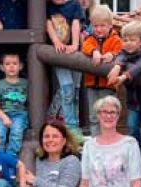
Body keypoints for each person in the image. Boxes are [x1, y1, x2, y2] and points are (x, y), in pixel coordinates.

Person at [107, 20, 141, 152]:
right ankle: (138, 151)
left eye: (132, 40)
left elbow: (139, 66)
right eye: (125, 39)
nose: (128, 43)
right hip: (133, 102)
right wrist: (117, 67)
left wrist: (123, 76)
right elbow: (120, 57)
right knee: (132, 127)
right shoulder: (124, 53)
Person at [80, 5, 121, 136]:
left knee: (109, 115)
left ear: (110, 25)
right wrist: (95, 52)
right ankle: (95, 140)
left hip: (108, 86)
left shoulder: (115, 39)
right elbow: (85, 46)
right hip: (92, 85)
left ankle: (108, 139)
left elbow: (121, 52)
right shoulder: (90, 39)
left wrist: (112, 55)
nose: (98, 29)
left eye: (102, 26)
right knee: (94, 116)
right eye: (95, 26)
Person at [47, 0, 85, 134]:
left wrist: (74, 44)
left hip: (75, 53)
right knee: (67, 89)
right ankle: (71, 126)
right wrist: (56, 42)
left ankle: (73, 123)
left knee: (75, 90)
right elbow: (49, 25)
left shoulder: (74, 5)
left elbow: (76, 23)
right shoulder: (48, 6)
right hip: (59, 53)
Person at [0, 53, 29, 155]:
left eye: (15, 64)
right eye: (7, 64)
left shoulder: (26, 83)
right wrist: (4, 117)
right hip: (2, 114)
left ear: (20, 66)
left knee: (16, 133)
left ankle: (11, 157)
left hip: (19, 115)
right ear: (2, 67)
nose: (11, 67)